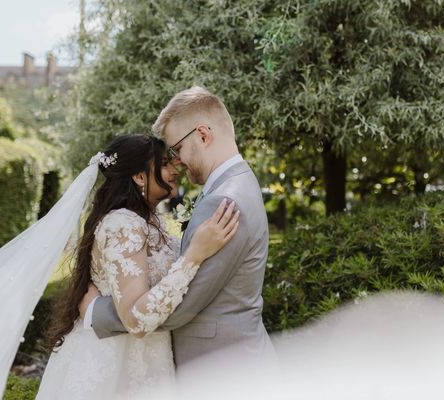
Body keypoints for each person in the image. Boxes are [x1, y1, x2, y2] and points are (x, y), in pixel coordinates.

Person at [82, 87, 276, 371]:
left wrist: (95, 312)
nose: (177, 161)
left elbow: (185, 303)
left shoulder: (225, 199)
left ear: (203, 135)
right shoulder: (235, 184)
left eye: (178, 149)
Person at [36, 134, 239, 399]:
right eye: (164, 163)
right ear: (140, 177)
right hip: (115, 364)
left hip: (146, 356)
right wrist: (194, 256)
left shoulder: (148, 220)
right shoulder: (124, 224)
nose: (174, 169)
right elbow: (136, 319)